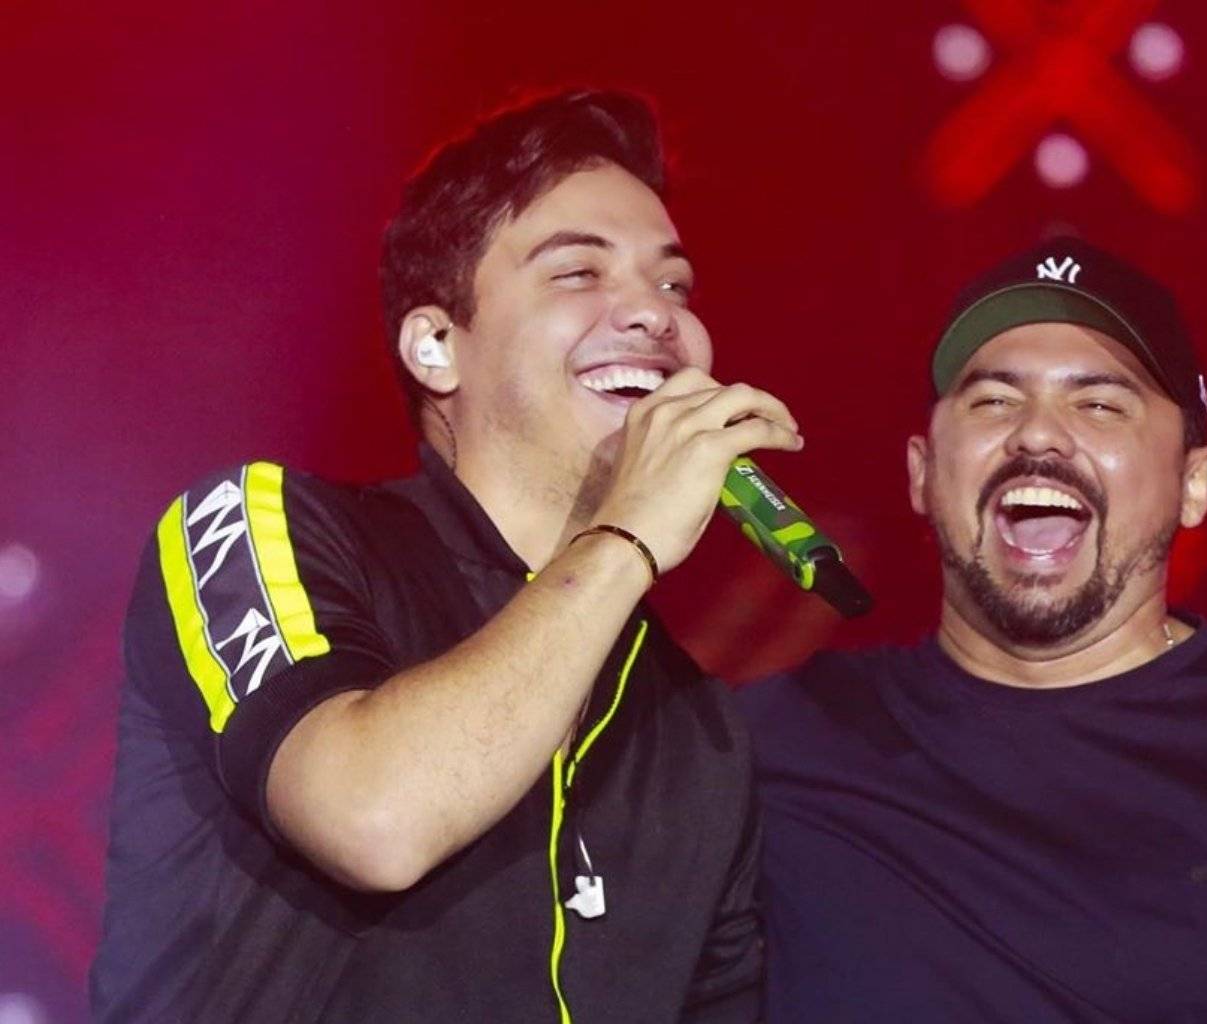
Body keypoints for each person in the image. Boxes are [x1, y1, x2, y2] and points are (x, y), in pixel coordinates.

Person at [91, 89, 795, 1023]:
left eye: (674, 286)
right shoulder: (264, 523)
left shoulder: (698, 726)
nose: (654, 317)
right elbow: (370, 817)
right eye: (579, 271)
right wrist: (627, 537)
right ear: (434, 345)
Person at [739, 237, 1207, 1022]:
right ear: (922, 472)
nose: (1037, 435)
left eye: (1100, 405)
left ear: (1194, 483)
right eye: (994, 401)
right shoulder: (773, 743)